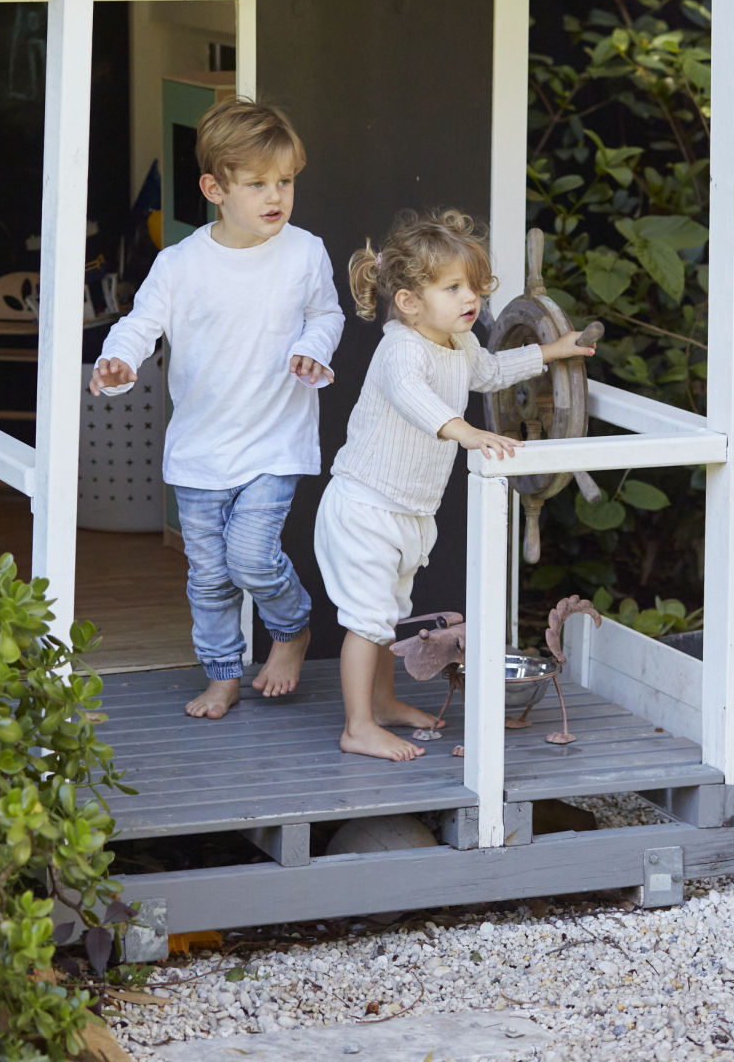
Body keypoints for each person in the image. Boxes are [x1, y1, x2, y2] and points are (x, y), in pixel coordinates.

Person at [91, 98, 344, 720]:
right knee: (209, 578)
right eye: (257, 183)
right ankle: (224, 674)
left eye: (285, 181)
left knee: (252, 557)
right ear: (214, 188)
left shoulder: (305, 252)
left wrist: (313, 349)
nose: (275, 195)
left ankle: (291, 629)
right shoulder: (180, 265)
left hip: (274, 441)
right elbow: (138, 325)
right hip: (200, 450)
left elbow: (326, 314)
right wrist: (117, 362)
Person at [314, 208, 597, 763]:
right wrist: (466, 430)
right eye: (453, 287)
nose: (471, 298)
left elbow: (488, 372)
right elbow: (417, 402)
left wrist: (547, 353)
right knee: (366, 622)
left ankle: (385, 702)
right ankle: (358, 726)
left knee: (388, 617)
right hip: (364, 507)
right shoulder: (401, 349)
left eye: (474, 286)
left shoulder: (457, 343)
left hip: (409, 511)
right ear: (410, 302)